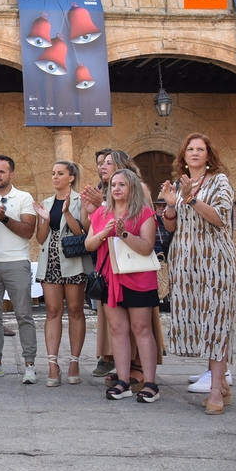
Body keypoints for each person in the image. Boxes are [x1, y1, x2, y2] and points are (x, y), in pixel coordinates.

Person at [161, 133, 236, 414]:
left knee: (216, 322)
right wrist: (171, 205)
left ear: (209, 155)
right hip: (185, 263)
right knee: (201, 322)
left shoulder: (220, 181)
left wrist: (191, 198)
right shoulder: (181, 184)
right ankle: (222, 384)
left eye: (200, 149)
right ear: (183, 155)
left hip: (215, 261)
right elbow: (171, 228)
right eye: (190, 149)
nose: (194, 153)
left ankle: (217, 390)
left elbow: (219, 218)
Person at [82, 149, 164, 388]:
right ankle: (124, 381)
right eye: (114, 185)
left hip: (139, 279)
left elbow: (147, 247)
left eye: (122, 185)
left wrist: (123, 233)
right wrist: (103, 234)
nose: (116, 188)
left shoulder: (144, 212)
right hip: (110, 279)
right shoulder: (101, 213)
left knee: (141, 328)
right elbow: (89, 243)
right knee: (118, 330)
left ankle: (150, 382)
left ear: (132, 188)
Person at [0, 155, 38, 384]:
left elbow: (28, 231)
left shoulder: (24, 197)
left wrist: (5, 219)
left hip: (16, 262)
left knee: (24, 315)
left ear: (12, 174)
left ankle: (30, 364)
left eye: (2, 172)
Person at [32, 161, 91, 387]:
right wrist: (46, 220)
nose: (55, 177)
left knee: (76, 310)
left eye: (60, 173)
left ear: (71, 178)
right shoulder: (46, 202)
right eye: (53, 173)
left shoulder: (80, 200)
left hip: (73, 260)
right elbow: (39, 238)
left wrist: (66, 213)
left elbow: (81, 232)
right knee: (52, 311)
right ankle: (52, 364)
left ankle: (74, 362)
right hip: (50, 261)